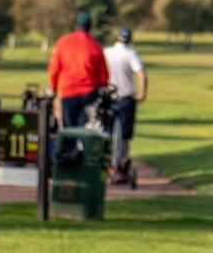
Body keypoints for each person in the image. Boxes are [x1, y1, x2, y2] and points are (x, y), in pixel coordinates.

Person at [47, 11, 109, 164]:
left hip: (68, 92)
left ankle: (69, 158)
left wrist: (52, 90)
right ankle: (85, 159)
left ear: (75, 25)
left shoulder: (62, 43)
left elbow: (54, 69)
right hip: (89, 93)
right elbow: (103, 77)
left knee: (69, 127)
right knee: (85, 127)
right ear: (90, 27)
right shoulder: (95, 46)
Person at [104, 28, 148, 184]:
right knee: (125, 136)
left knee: (107, 131)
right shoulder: (131, 53)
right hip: (126, 98)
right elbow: (142, 75)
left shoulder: (106, 52)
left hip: (108, 97)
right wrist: (142, 94)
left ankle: (108, 164)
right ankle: (121, 168)